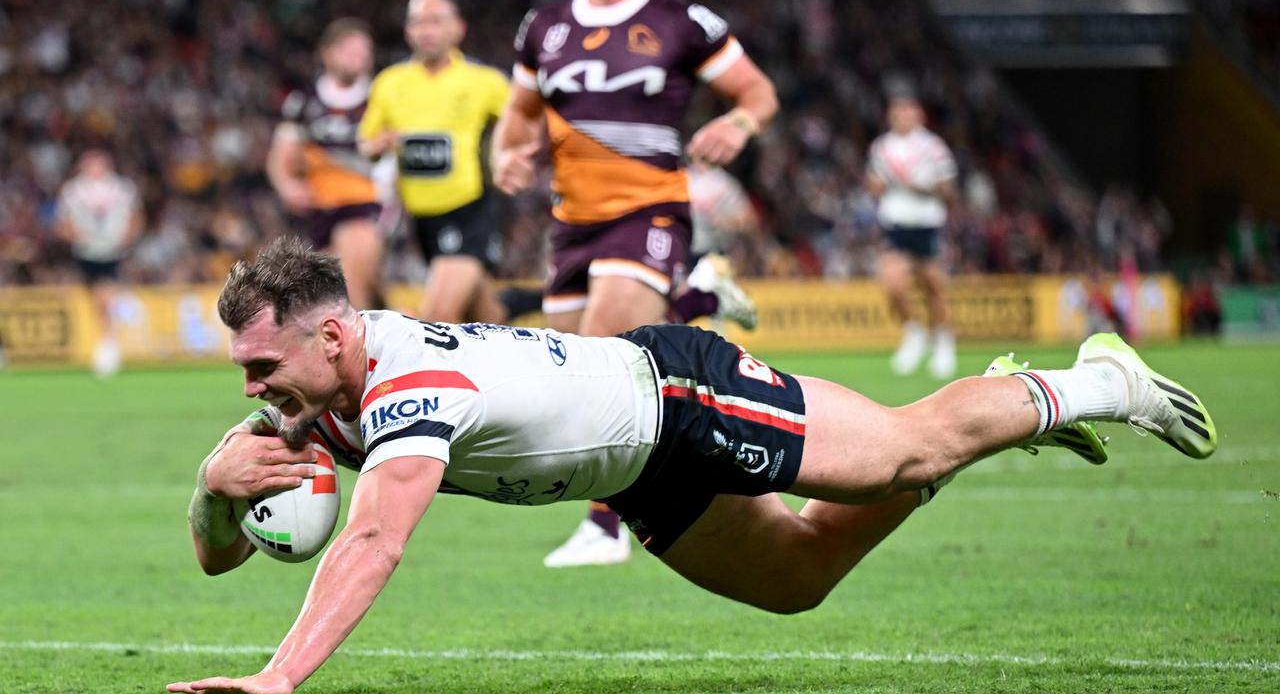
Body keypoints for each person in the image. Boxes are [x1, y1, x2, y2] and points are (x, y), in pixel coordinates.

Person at [169, 237, 1215, 693]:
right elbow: (221, 557)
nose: (254, 387)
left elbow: (374, 537)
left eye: (265, 364)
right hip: (630, 471)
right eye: (244, 372)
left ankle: (1096, 382)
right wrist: (212, 496)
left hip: (679, 396)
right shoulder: (307, 397)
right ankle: (992, 418)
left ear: (336, 336)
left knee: (901, 447)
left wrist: (279, 677)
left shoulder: (403, 387)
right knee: (798, 580)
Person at [491, 0, 777, 566]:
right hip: (571, 224)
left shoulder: (681, 20)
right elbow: (518, 115)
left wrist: (738, 124)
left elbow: (757, 93)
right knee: (566, 377)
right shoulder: (543, 27)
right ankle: (699, 298)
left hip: (649, 210)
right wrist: (506, 154)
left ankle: (605, 528)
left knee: (605, 364)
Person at [358, 0, 514, 324]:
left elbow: (525, 122)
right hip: (420, 219)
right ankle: (527, 303)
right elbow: (366, 141)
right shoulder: (390, 83)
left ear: (458, 28)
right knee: (487, 316)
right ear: (407, 31)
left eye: (435, 21)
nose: (425, 30)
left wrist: (508, 154)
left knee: (438, 316)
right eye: (417, 22)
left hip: (469, 209)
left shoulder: (484, 81)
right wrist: (376, 146)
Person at [266, 18, 386, 312]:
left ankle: (357, 354)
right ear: (327, 53)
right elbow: (281, 155)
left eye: (364, 51)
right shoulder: (304, 102)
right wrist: (287, 185)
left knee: (348, 284)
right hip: (321, 207)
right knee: (352, 290)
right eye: (349, 50)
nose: (358, 57)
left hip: (368, 203)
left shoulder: (382, 97)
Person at [865, 84, 959, 379]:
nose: (902, 115)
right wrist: (876, 186)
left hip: (927, 224)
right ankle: (913, 332)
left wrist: (925, 188)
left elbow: (949, 190)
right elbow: (873, 183)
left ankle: (943, 342)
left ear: (918, 114)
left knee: (933, 287)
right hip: (896, 225)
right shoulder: (882, 147)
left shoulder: (933, 148)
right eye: (897, 110)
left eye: (907, 110)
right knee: (893, 284)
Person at [54, 150, 144, 377]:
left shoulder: (121, 188)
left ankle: (108, 343)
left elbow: (135, 216)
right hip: (86, 250)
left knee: (104, 293)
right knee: (95, 297)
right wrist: (74, 236)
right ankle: (107, 338)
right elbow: (62, 222)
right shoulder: (74, 190)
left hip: (110, 250)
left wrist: (128, 237)